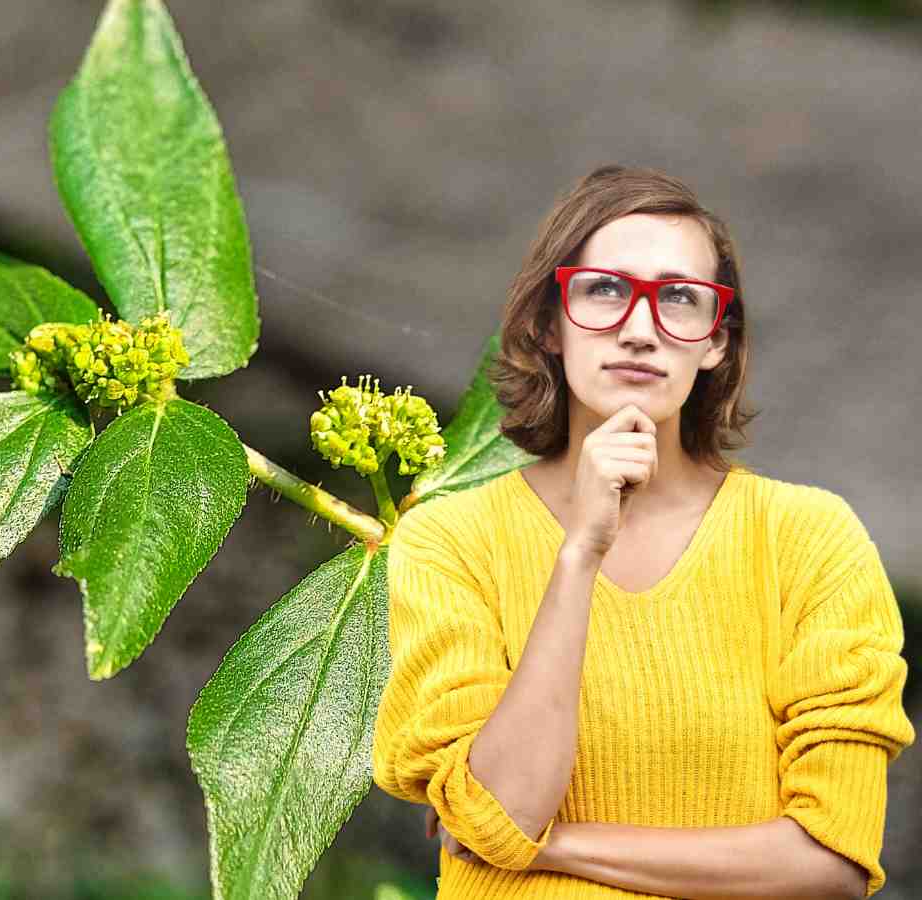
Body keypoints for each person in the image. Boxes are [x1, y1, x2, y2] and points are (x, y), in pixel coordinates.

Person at [370, 164, 915, 899]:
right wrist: (579, 555)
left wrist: (549, 847)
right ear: (548, 323)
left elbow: (832, 861)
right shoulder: (450, 540)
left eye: (680, 300)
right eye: (605, 290)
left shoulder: (808, 538)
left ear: (716, 341)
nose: (639, 329)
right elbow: (506, 805)